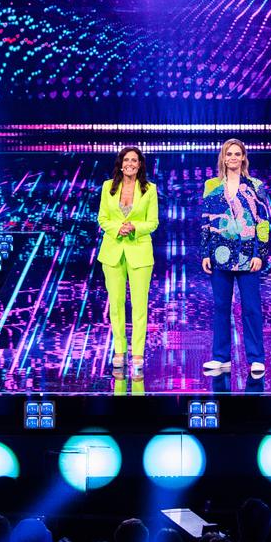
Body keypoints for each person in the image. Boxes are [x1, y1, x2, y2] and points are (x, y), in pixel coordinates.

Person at [200, 138, 271, 378]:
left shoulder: (255, 185)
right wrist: (205, 253)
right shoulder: (211, 185)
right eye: (228, 154)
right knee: (221, 307)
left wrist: (260, 254)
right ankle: (221, 357)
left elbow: (263, 222)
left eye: (237, 154)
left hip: (247, 256)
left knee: (251, 307)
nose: (232, 157)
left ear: (243, 158)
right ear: (223, 157)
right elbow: (206, 220)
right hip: (219, 254)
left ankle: (256, 358)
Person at [97, 146, 158, 377]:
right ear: (121, 164)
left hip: (139, 252)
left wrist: (134, 227)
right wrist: (117, 228)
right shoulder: (108, 187)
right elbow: (102, 218)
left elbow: (153, 222)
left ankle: (138, 353)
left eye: (134, 160)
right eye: (126, 160)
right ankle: (120, 350)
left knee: (140, 306)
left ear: (140, 164)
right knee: (116, 304)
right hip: (112, 252)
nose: (130, 163)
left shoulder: (149, 189)